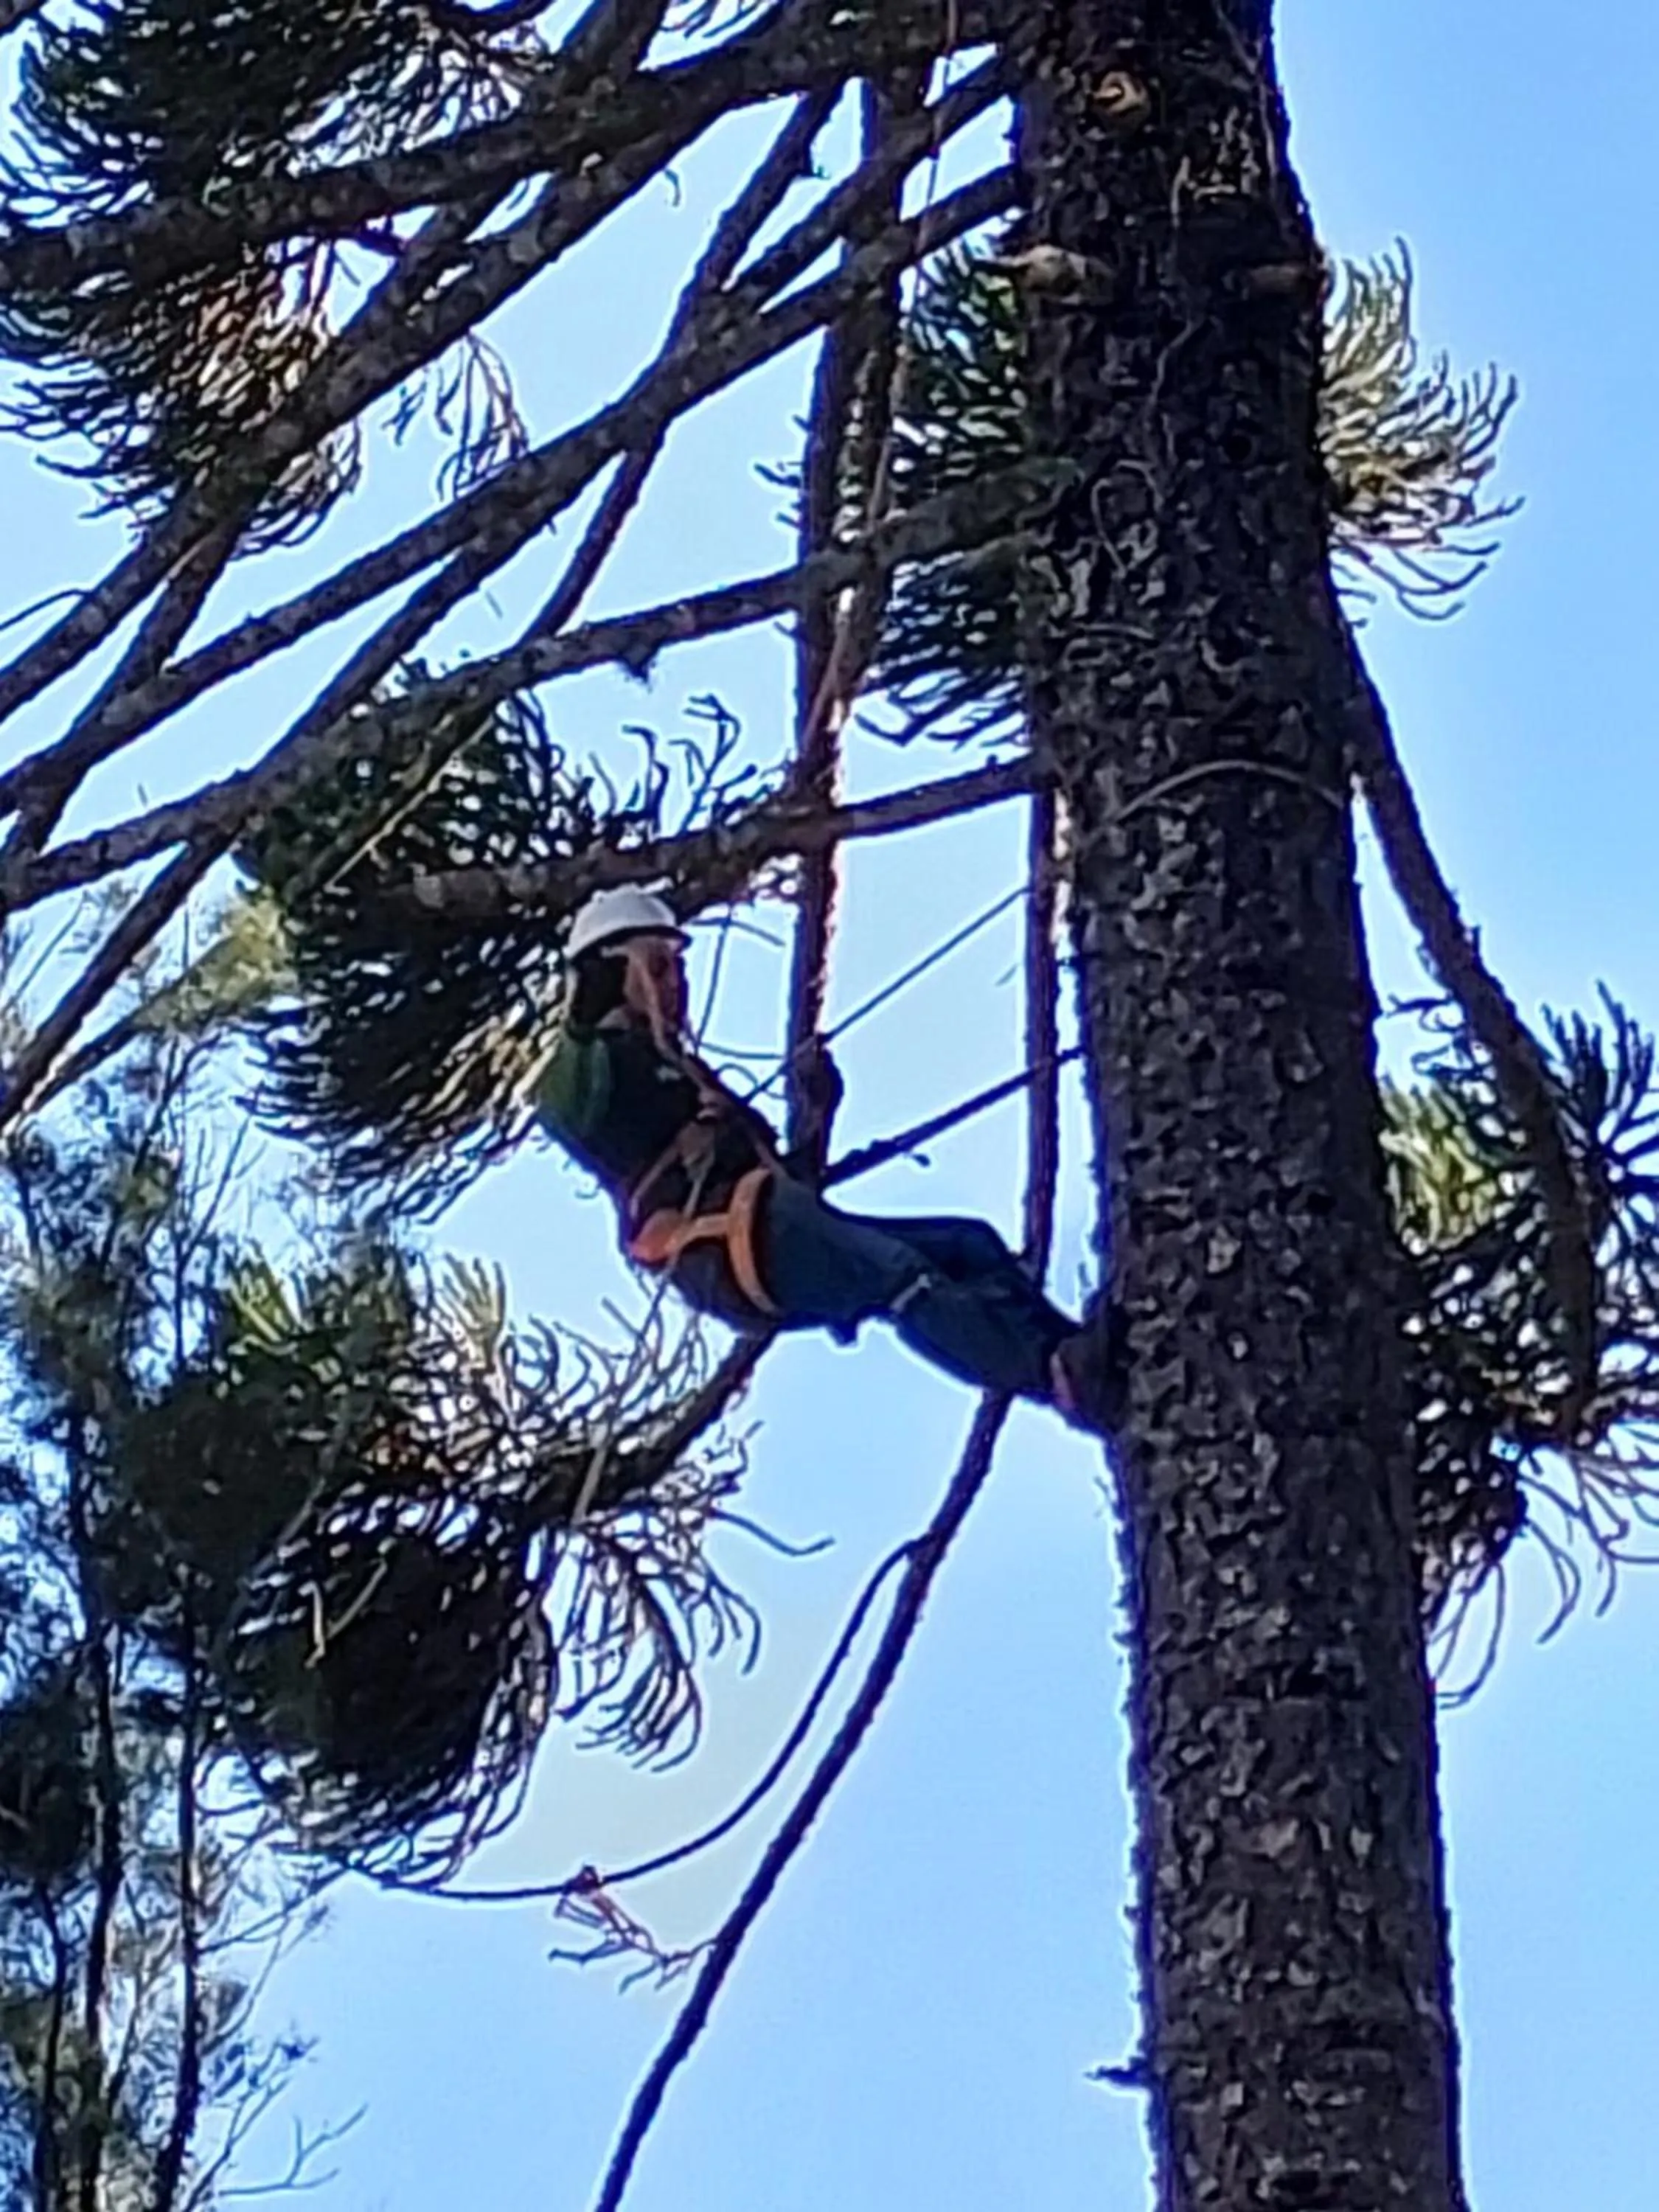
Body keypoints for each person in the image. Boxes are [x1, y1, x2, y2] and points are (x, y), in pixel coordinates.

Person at [535, 886, 1121, 1431]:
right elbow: (563, 1102)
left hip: (765, 1219)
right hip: (718, 1245)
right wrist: (591, 1013)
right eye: (658, 968)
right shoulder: (596, 1075)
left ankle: (1067, 1351)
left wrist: (818, 1113)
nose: (675, 986)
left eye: (677, 969)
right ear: (610, 975)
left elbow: (794, 1186)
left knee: (965, 1245)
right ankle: (1058, 1376)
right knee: (900, 1276)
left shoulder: (692, 1079)